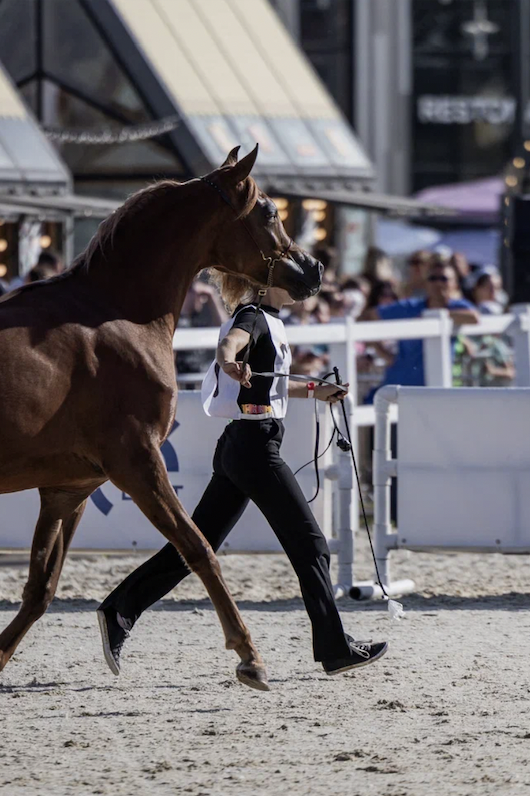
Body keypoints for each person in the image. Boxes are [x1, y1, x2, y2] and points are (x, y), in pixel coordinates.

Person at [96, 269, 388, 678]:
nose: (300, 287)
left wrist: (313, 391)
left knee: (194, 546)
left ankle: (119, 610)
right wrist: (228, 360)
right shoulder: (251, 315)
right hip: (254, 447)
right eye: (290, 280)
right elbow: (230, 344)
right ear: (267, 284)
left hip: (243, 442)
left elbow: (267, 385)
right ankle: (335, 649)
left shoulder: (269, 320)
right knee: (311, 545)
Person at [365, 258, 479, 397]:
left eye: (444, 278)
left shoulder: (458, 306)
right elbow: (368, 316)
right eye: (433, 278)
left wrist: (439, 315)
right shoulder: (410, 307)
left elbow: (475, 317)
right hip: (398, 387)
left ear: (454, 284)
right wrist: (384, 353)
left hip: (433, 388)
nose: (438, 283)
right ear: (426, 283)